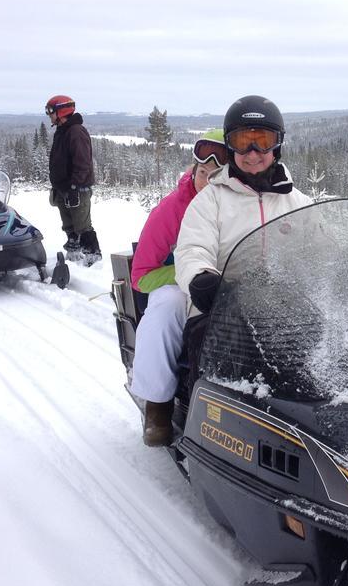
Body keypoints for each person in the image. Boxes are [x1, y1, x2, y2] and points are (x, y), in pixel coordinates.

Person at [173, 95, 313, 401]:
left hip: (286, 307)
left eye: (262, 140)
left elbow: (324, 248)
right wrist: (201, 278)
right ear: (230, 145)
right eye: (242, 141)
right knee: (224, 361)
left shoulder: (297, 203)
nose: (253, 152)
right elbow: (192, 249)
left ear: (277, 145)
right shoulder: (210, 201)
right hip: (221, 307)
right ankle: (210, 426)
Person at [129, 130, 228, 446]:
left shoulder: (239, 205)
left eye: (217, 176)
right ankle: (157, 406)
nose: (207, 182)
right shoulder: (171, 210)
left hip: (227, 286)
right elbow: (141, 276)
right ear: (194, 170)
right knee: (168, 307)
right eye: (202, 173)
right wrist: (188, 272)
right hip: (180, 289)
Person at [46, 94, 102, 266]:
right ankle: (74, 257)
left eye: (51, 111)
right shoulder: (62, 131)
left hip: (77, 189)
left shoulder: (76, 132)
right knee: (69, 226)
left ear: (61, 111)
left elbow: (83, 162)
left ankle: (93, 258)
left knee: (83, 226)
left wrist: (74, 186)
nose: (49, 115)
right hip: (63, 189)